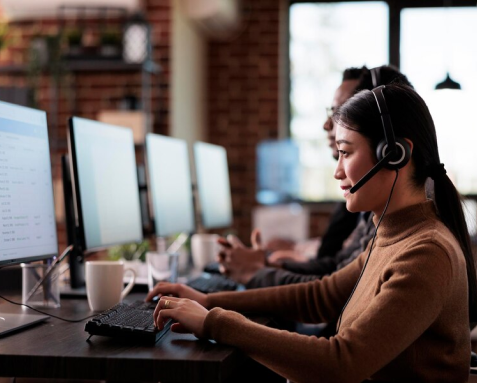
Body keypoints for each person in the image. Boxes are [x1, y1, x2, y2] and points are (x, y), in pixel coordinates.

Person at [147, 83, 477, 382]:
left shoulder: (427, 253)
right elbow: (319, 297)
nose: (337, 171)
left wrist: (214, 322)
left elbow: (343, 362)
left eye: (345, 152)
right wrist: (207, 300)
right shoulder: (392, 235)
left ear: (394, 154)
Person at [221, 65, 412, 289]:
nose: (328, 124)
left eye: (341, 112)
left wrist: (257, 272)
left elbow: (329, 293)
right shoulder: (376, 209)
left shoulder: (409, 235)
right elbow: (335, 274)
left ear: (389, 150)